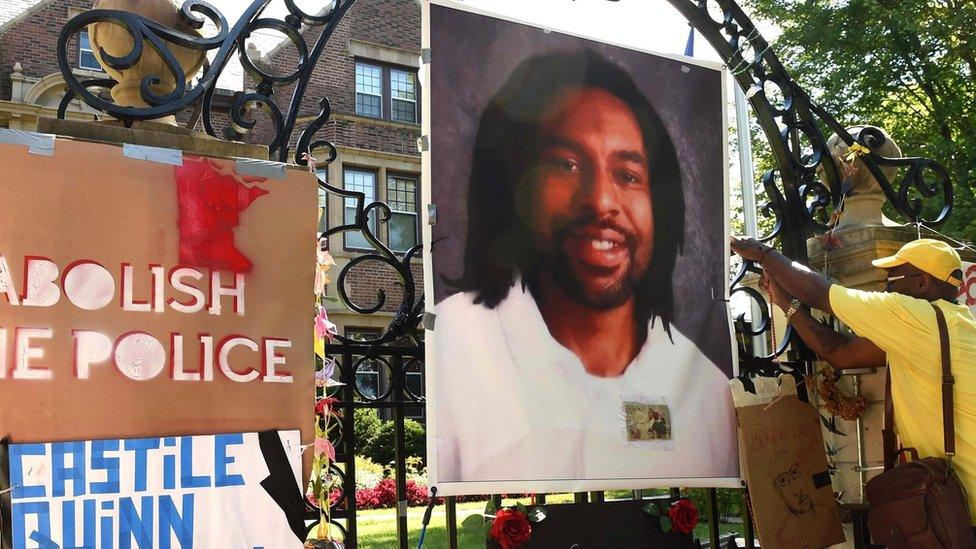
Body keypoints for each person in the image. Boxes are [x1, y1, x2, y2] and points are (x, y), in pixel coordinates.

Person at [432, 49, 737, 487]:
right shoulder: (454, 344)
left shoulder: (706, 391)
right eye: (567, 164)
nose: (601, 202)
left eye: (629, 175)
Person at [730, 236, 976, 522]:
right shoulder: (956, 325)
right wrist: (786, 303)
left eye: (894, 279)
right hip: (956, 506)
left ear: (923, 283)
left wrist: (762, 253)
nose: (888, 288)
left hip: (961, 510)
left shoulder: (917, 317)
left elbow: (822, 294)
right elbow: (840, 353)